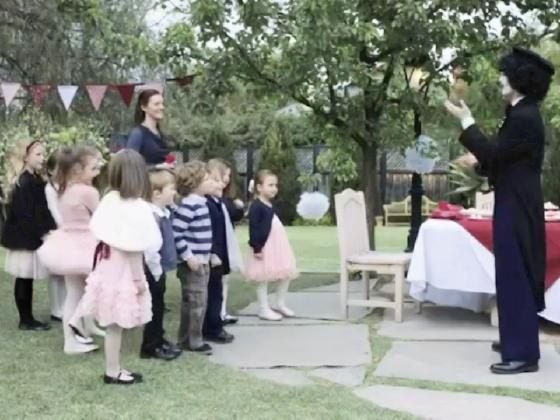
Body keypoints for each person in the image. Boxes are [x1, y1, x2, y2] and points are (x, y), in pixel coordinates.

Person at [444, 47, 555, 374]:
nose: (500, 79)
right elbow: (504, 160)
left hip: (517, 205)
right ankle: (515, 339)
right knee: (510, 273)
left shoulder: (524, 117)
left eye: (505, 74)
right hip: (515, 201)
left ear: (520, 79)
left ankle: (523, 354)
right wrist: (481, 164)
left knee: (515, 274)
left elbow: (495, 155)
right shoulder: (521, 113)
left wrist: (466, 122)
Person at [71, 149, 161, 385]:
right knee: (117, 323)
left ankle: (115, 367)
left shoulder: (110, 200)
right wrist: (139, 280)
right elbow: (134, 247)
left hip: (107, 266)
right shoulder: (137, 208)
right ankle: (112, 371)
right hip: (124, 271)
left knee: (113, 321)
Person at [38, 146, 102, 354]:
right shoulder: (88, 192)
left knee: (75, 292)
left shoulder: (66, 189)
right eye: (93, 168)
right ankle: (74, 337)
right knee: (84, 290)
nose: (97, 172)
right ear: (77, 169)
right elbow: (100, 218)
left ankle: (77, 333)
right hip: (83, 244)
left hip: (67, 245)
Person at [1, 139, 57, 331]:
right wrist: (41, 232)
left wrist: (50, 227)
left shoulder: (35, 180)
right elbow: (25, 214)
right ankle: (25, 319)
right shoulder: (24, 182)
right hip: (24, 238)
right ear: (26, 157)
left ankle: (28, 317)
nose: (42, 158)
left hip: (29, 237)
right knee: (24, 278)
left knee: (27, 279)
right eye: (38, 154)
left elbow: (42, 209)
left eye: (43, 154)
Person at [172, 160, 215, 355]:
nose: (211, 182)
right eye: (207, 179)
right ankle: (194, 341)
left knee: (193, 302)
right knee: (197, 302)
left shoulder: (200, 203)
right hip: (193, 263)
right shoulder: (190, 205)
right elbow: (177, 232)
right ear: (194, 184)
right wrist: (188, 256)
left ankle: (185, 339)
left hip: (202, 260)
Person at [245, 169, 298, 321]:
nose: (274, 188)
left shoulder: (269, 204)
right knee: (263, 276)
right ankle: (264, 308)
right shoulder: (256, 206)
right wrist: (257, 247)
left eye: (275, 185)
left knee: (285, 273)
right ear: (259, 187)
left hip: (278, 245)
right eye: (270, 185)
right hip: (264, 246)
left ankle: (280, 303)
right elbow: (254, 228)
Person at [140, 168, 182, 361]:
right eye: (171, 189)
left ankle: (159, 338)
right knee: (154, 306)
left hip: (159, 269)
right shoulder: (152, 216)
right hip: (152, 269)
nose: (175, 192)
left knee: (159, 304)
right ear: (157, 194)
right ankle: (150, 345)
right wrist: (156, 270)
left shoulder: (163, 212)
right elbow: (150, 248)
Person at [202, 160, 243, 344]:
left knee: (217, 292)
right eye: (216, 180)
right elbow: (208, 232)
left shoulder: (217, 202)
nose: (221, 184)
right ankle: (212, 328)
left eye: (222, 180)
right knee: (212, 293)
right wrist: (212, 253)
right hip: (213, 256)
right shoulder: (207, 204)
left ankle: (215, 324)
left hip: (220, 255)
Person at [209, 158, 245, 325]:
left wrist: (239, 208)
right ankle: (217, 315)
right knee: (217, 283)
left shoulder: (225, 199)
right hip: (218, 247)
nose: (226, 180)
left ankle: (222, 312)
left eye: (228, 176)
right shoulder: (215, 200)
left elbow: (234, 215)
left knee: (225, 280)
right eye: (223, 176)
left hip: (225, 244)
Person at [44, 151, 66, 322]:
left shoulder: (66, 187)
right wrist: (65, 227)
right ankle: (55, 308)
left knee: (65, 273)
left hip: (66, 233)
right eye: (59, 169)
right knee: (55, 273)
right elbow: (54, 211)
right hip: (55, 234)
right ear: (51, 170)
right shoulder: (49, 189)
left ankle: (64, 306)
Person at [127, 89, 173, 167]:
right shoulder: (137, 134)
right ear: (143, 107)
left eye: (162, 104)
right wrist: (156, 167)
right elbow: (129, 164)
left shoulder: (161, 134)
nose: (162, 107)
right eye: (156, 104)